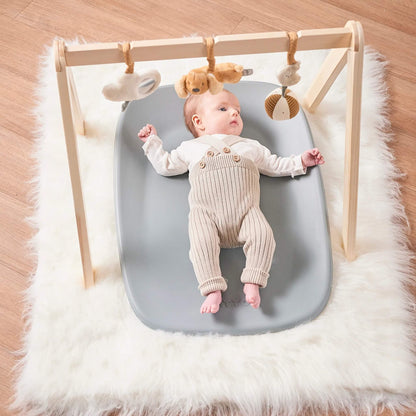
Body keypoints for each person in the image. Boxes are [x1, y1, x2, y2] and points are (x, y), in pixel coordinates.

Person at [138, 89, 324, 314]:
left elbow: (275, 165)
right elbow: (164, 165)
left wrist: (300, 161)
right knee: (201, 244)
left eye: (238, 110)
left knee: (263, 237)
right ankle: (212, 288)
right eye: (223, 109)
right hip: (206, 215)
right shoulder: (190, 148)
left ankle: (253, 279)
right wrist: (152, 141)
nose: (234, 113)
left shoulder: (251, 146)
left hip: (246, 212)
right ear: (199, 122)